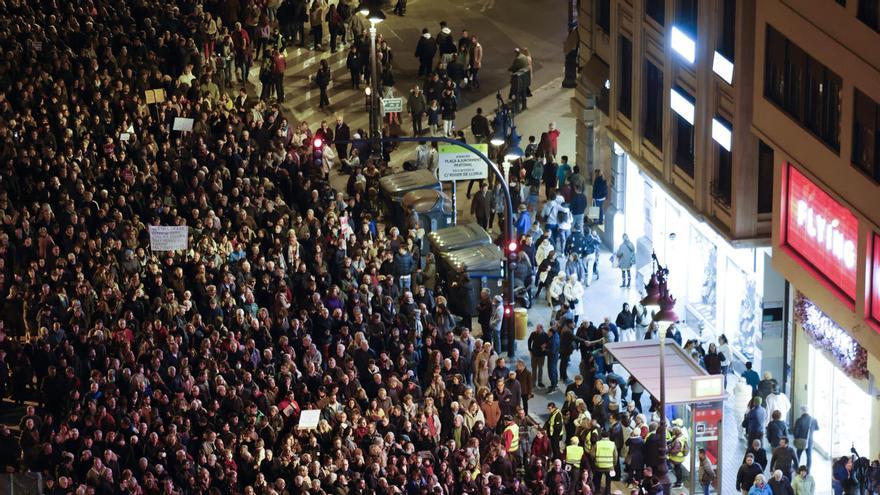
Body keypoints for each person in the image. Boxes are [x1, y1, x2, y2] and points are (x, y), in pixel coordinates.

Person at [793, 405, 819, 470]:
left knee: (798, 455)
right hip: (809, 440)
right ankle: (808, 469)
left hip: (801, 440)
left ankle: (796, 468)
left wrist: (796, 438)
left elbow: (796, 432)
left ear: (802, 411)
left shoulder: (799, 420)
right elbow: (817, 428)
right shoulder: (813, 420)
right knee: (809, 456)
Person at [593, 430, 618, 495]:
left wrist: (594, 461)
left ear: (601, 436)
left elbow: (592, 454)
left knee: (598, 480)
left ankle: (597, 491)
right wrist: (613, 465)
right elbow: (615, 456)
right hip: (609, 466)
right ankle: (607, 492)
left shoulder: (597, 443)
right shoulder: (612, 444)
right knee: (608, 481)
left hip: (599, 465)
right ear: (608, 436)